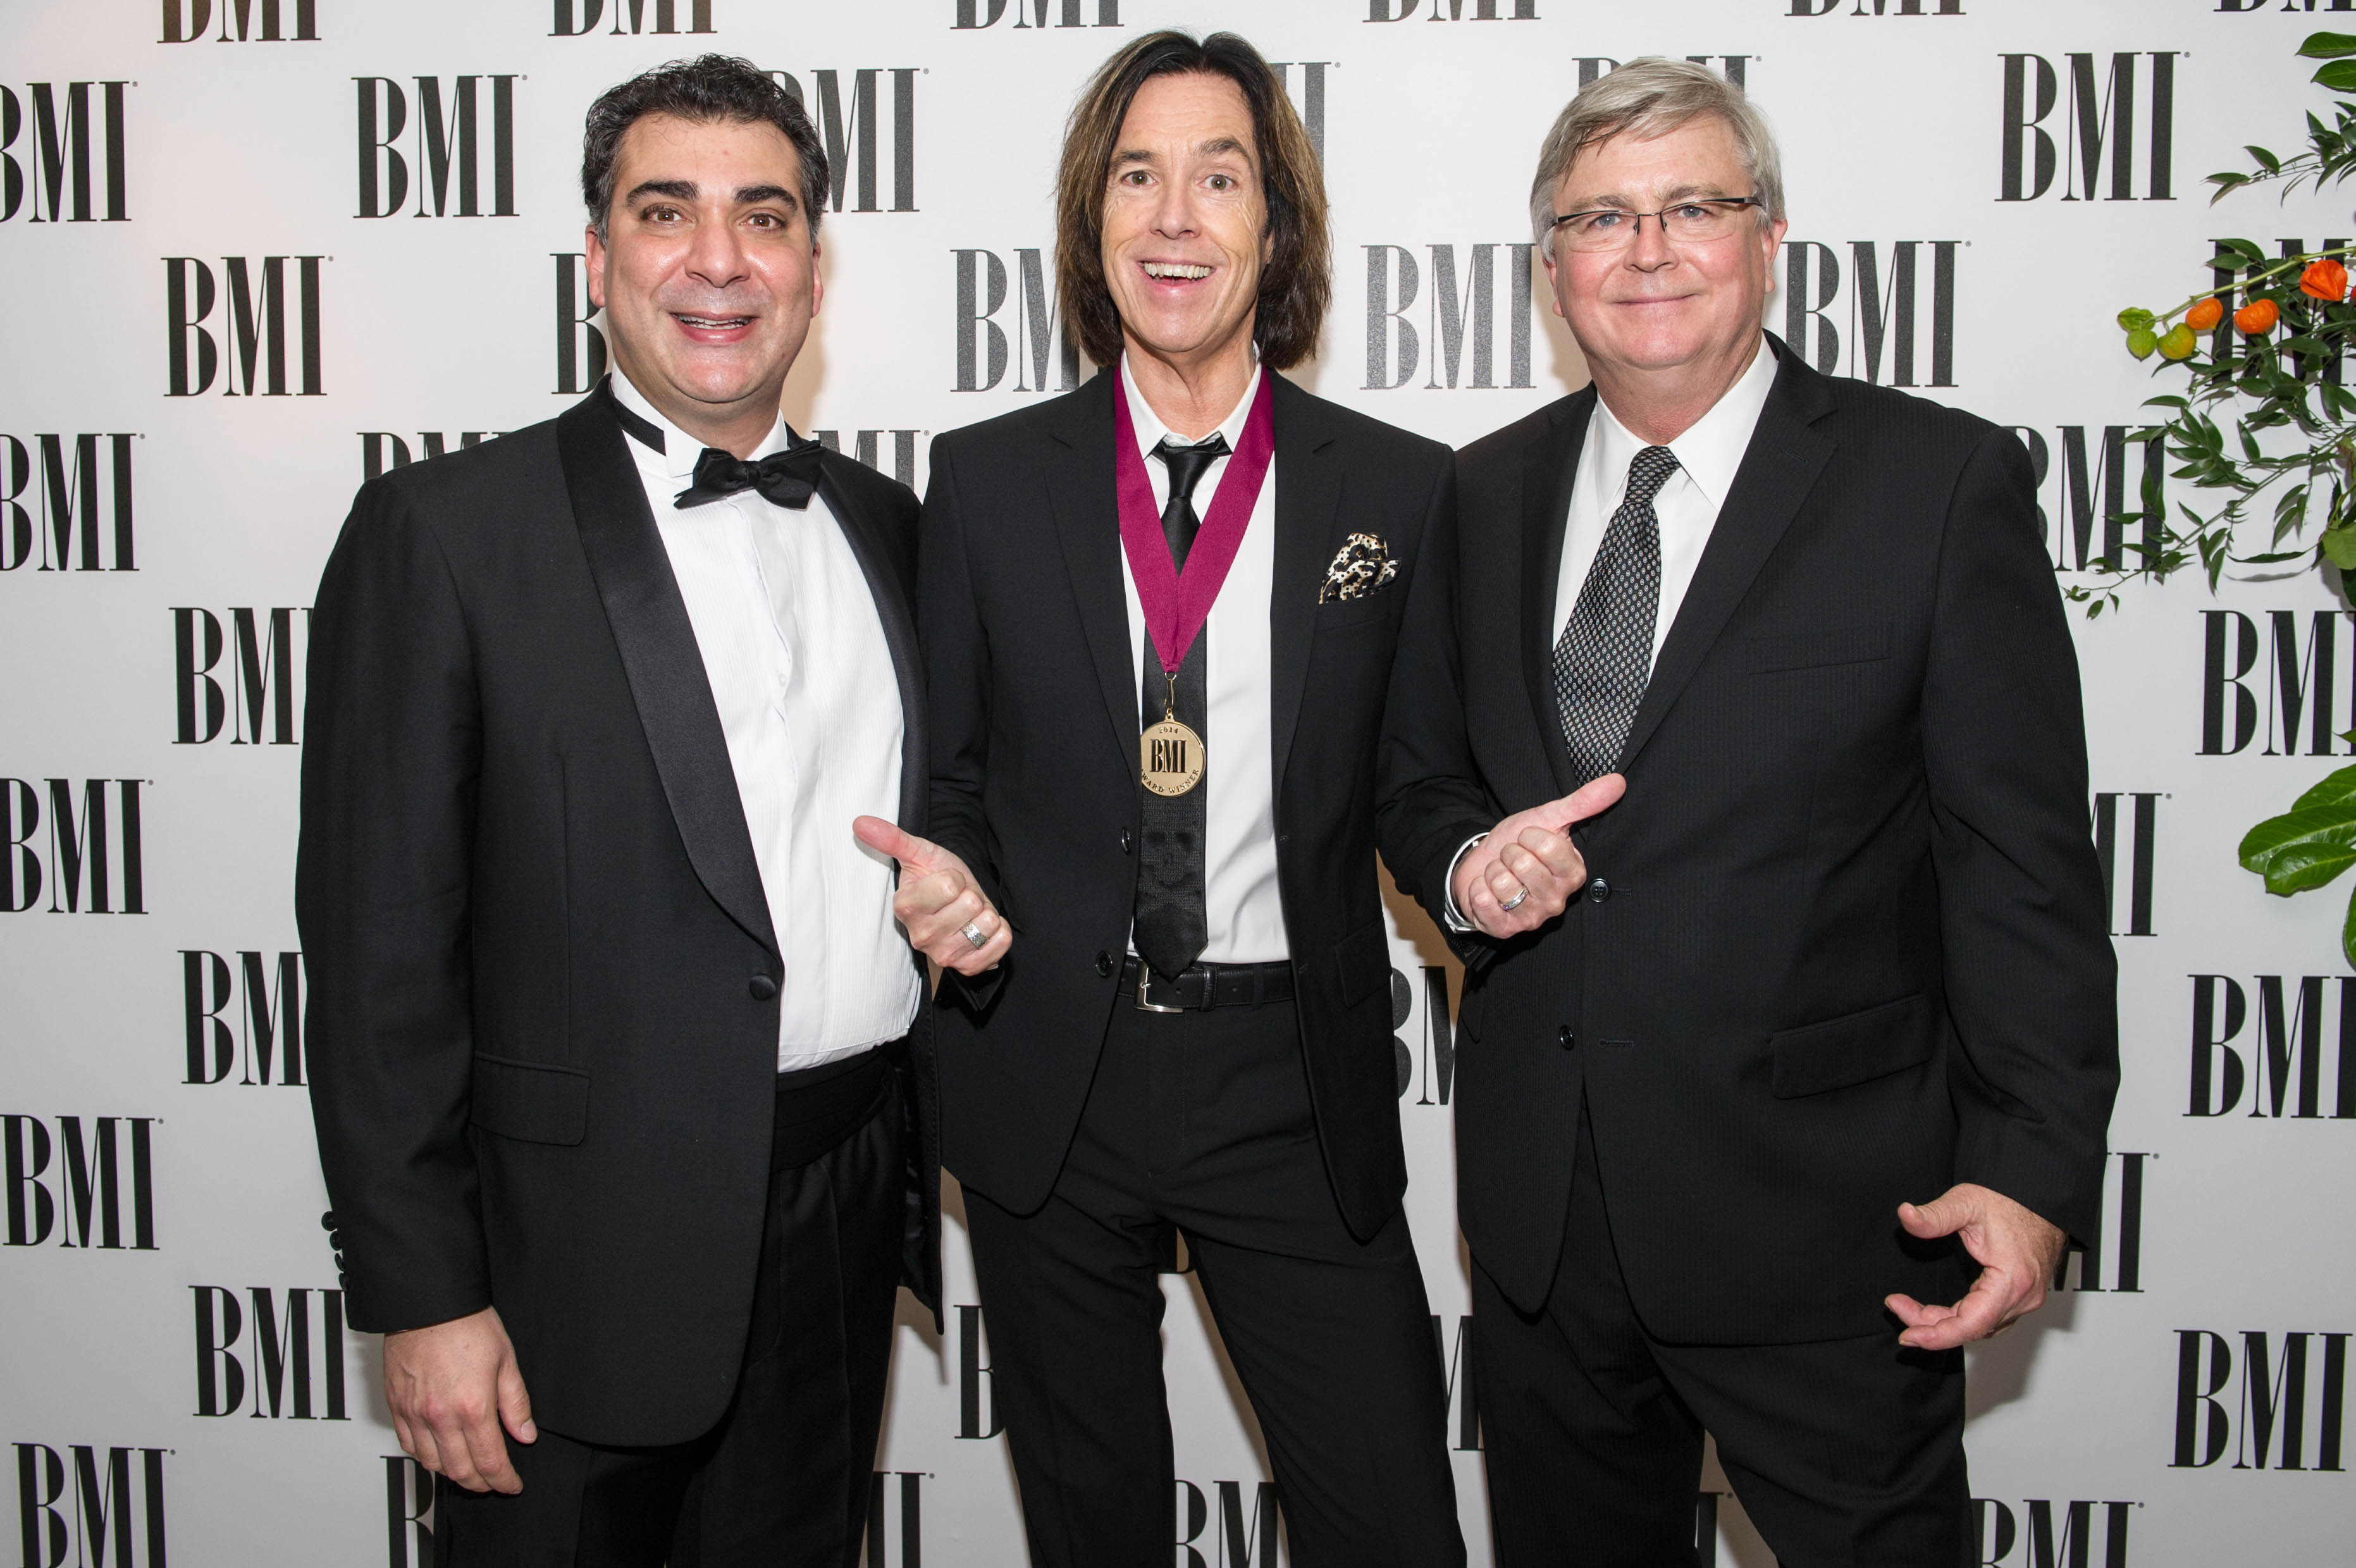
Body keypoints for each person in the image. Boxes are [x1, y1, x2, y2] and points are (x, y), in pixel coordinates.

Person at [856, 30, 1603, 1568]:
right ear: (1093, 223)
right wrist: (955, 882)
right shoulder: (986, 480)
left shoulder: (1396, 489)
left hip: (1289, 1076)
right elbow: (961, 778)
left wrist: (1470, 866)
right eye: (1136, 177)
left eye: (1220, 176)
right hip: (1050, 1066)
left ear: (1278, 222)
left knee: (1392, 1525)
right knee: (1094, 1531)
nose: (1175, 217)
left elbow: (1415, 784)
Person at [1441, 58, 2119, 1565]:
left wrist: (2029, 1165)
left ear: (1771, 236)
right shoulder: (1478, 496)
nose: (1648, 250)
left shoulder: (1936, 483)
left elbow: (2019, 863)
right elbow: (1423, 777)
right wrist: (1467, 859)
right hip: (1550, 1228)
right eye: (1601, 218)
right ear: (1551, 266)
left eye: (1694, 206)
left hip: (1834, 1226)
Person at [297, 54, 940, 1567]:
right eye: (667, 212)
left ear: (813, 268)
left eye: (763, 217)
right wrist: (428, 1295)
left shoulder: (895, 530)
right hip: (560, 1275)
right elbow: (381, 962)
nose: (719, 260)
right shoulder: (442, 535)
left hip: (840, 1224)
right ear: (597, 260)